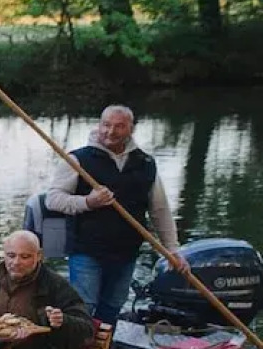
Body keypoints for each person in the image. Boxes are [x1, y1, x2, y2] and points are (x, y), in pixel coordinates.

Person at [45, 104, 187, 323]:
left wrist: (172, 250)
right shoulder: (78, 159)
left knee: (112, 307)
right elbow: (53, 199)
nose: (110, 132)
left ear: (131, 129)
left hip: (126, 252)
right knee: (83, 307)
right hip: (87, 250)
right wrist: (88, 202)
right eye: (106, 125)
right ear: (99, 125)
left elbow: (159, 210)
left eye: (119, 126)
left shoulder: (146, 163)